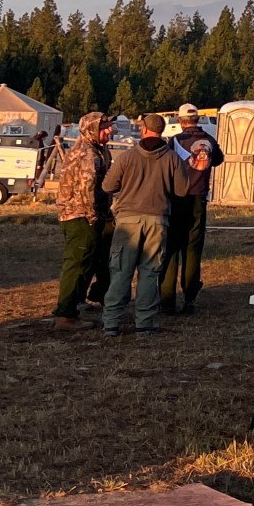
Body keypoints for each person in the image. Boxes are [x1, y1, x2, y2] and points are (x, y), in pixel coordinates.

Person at [100, 112, 192, 337]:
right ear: (162, 132)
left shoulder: (127, 157)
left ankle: (111, 322)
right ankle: (145, 322)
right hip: (157, 220)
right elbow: (182, 190)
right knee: (150, 273)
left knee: (121, 271)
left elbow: (107, 186)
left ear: (143, 129)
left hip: (127, 221)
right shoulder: (172, 158)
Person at [51, 111, 114, 328]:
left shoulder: (100, 149)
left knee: (97, 259)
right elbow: (87, 188)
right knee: (78, 263)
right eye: (104, 127)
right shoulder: (87, 153)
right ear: (92, 129)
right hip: (80, 216)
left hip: (93, 215)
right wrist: (93, 216)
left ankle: (85, 298)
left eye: (109, 126)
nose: (110, 130)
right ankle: (66, 314)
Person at [162, 103, 224, 316]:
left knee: (171, 249)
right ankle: (189, 297)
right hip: (199, 200)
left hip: (178, 198)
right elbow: (218, 160)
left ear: (180, 121)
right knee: (192, 249)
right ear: (198, 119)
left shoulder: (176, 140)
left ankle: (167, 298)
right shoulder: (209, 140)